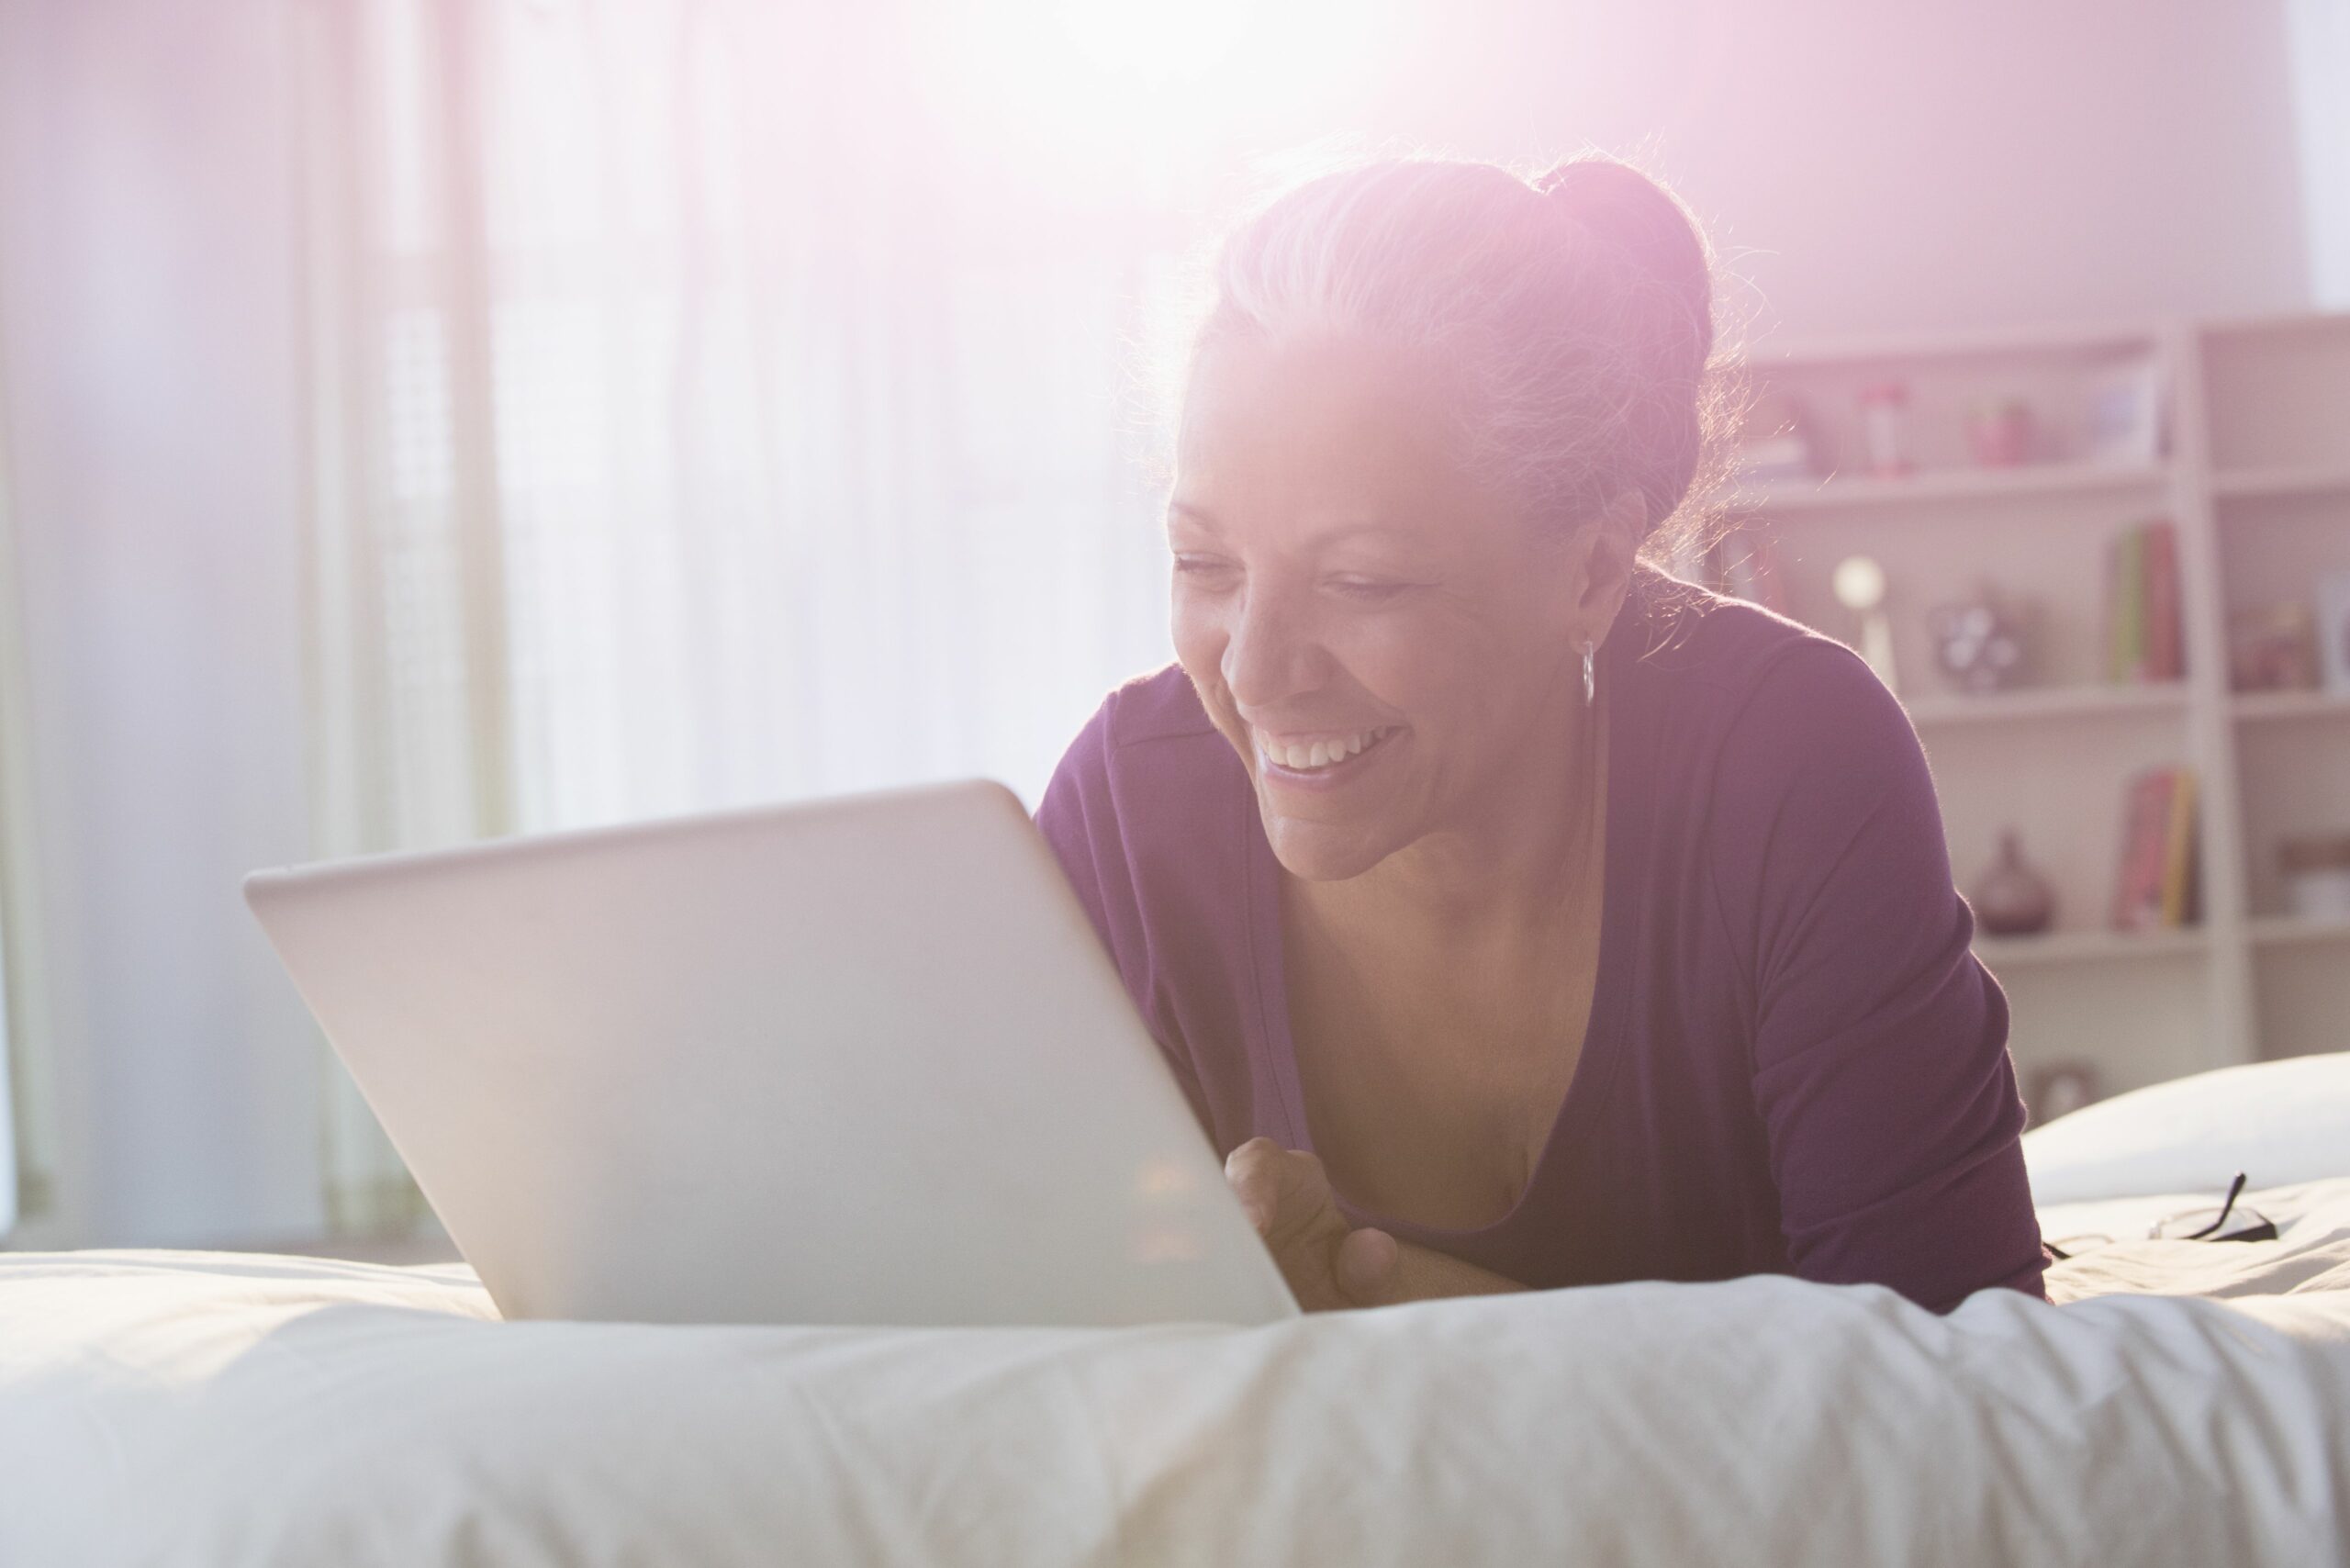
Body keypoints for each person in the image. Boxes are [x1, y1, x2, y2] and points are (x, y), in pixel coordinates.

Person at [1035, 153, 2049, 1316]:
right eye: (1203, 562)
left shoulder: (1788, 763)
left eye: (1362, 579)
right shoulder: (1127, 814)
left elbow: (1955, 1390)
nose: (1254, 671)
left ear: (1591, 570)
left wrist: (1389, 1300)